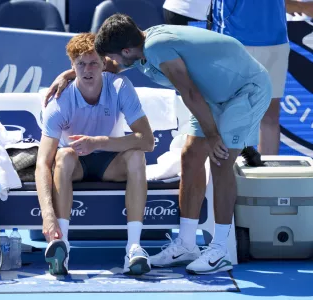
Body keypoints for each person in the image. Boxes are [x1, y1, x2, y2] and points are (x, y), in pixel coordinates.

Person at [45, 14, 272, 274]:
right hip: (213, 98)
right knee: (190, 157)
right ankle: (187, 244)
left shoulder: (157, 47)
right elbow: (105, 67)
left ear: (126, 50)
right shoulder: (139, 47)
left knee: (219, 159)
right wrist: (67, 75)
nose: (112, 63)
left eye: (114, 56)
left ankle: (220, 248)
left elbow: (189, 93)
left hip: (244, 91)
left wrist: (211, 135)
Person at [35, 33, 155, 276]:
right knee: (63, 157)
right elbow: (41, 164)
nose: (87, 70)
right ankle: (62, 244)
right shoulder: (59, 103)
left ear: (104, 64)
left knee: (136, 155)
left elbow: (148, 141)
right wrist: (48, 216)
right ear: (72, 66)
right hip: (76, 165)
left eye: (93, 63)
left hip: (111, 163)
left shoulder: (120, 87)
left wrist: (97, 142)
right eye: (81, 64)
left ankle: (134, 247)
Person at [210, 0, 290, 159]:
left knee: (270, 116)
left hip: (275, 41)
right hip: (233, 41)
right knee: (228, 113)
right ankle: (225, 178)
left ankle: (265, 178)